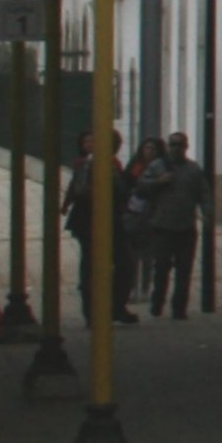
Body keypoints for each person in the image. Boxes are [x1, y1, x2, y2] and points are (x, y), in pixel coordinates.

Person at [64, 135, 138, 326]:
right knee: (93, 266)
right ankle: (93, 312)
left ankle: (115, 307)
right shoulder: (88, 164)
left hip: (111, 219)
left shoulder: (113, 164)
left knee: (125, 264)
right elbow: (80, 190)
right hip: (89, 219)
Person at [142, 130, 207, 317]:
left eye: (180, 145)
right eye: (173, 144)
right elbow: (142, 185)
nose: (176, 148)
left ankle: (179, 308)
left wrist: (207, 212)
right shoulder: (157, 166)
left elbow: (203, 192)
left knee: (184, 271)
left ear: (186, 147)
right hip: (162, 226)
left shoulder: (193, 169)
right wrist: (158, 181)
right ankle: (157, 304)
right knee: (161, 269)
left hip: (186, 227)